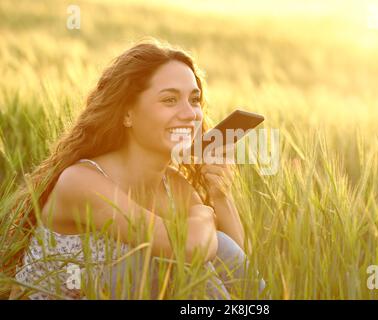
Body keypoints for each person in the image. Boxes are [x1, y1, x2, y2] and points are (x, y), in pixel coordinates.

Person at [7, 39, 266, 300]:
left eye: (194, 100)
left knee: (210, 252)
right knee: (172, 264)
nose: (190, 114)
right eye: (170, 100)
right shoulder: (82, 181)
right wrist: (203, 213)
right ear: (127, 114)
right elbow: (192, 249)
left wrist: (220, 196)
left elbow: (234, 264)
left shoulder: (173, 186)